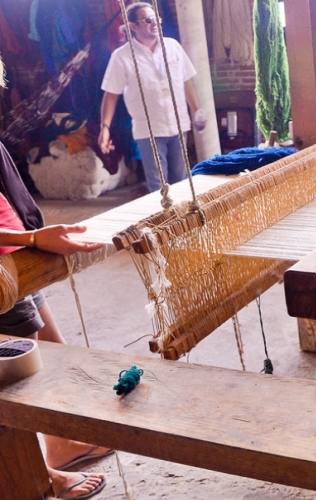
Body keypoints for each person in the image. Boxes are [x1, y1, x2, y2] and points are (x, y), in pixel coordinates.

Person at [0, 54, 108, 500]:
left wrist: (31, 237)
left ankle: (62, 442)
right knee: (22, 378)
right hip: (3, 266)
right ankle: (39, 475)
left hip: (16, 249)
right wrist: (30, 239)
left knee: (53, 350)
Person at [98, 2, 205, 194]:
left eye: (156, 18)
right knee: (159, 187)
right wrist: (104, 128)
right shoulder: (122, 56)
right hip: (149, 130)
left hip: (178, 124)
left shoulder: (172, 46)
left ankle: (181, 213)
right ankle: (164, 213)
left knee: (181, 181)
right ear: (133, 26)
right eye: (148, 20)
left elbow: (185, 81)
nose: (155, 23)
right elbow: (111, 95)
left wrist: (196, 110)